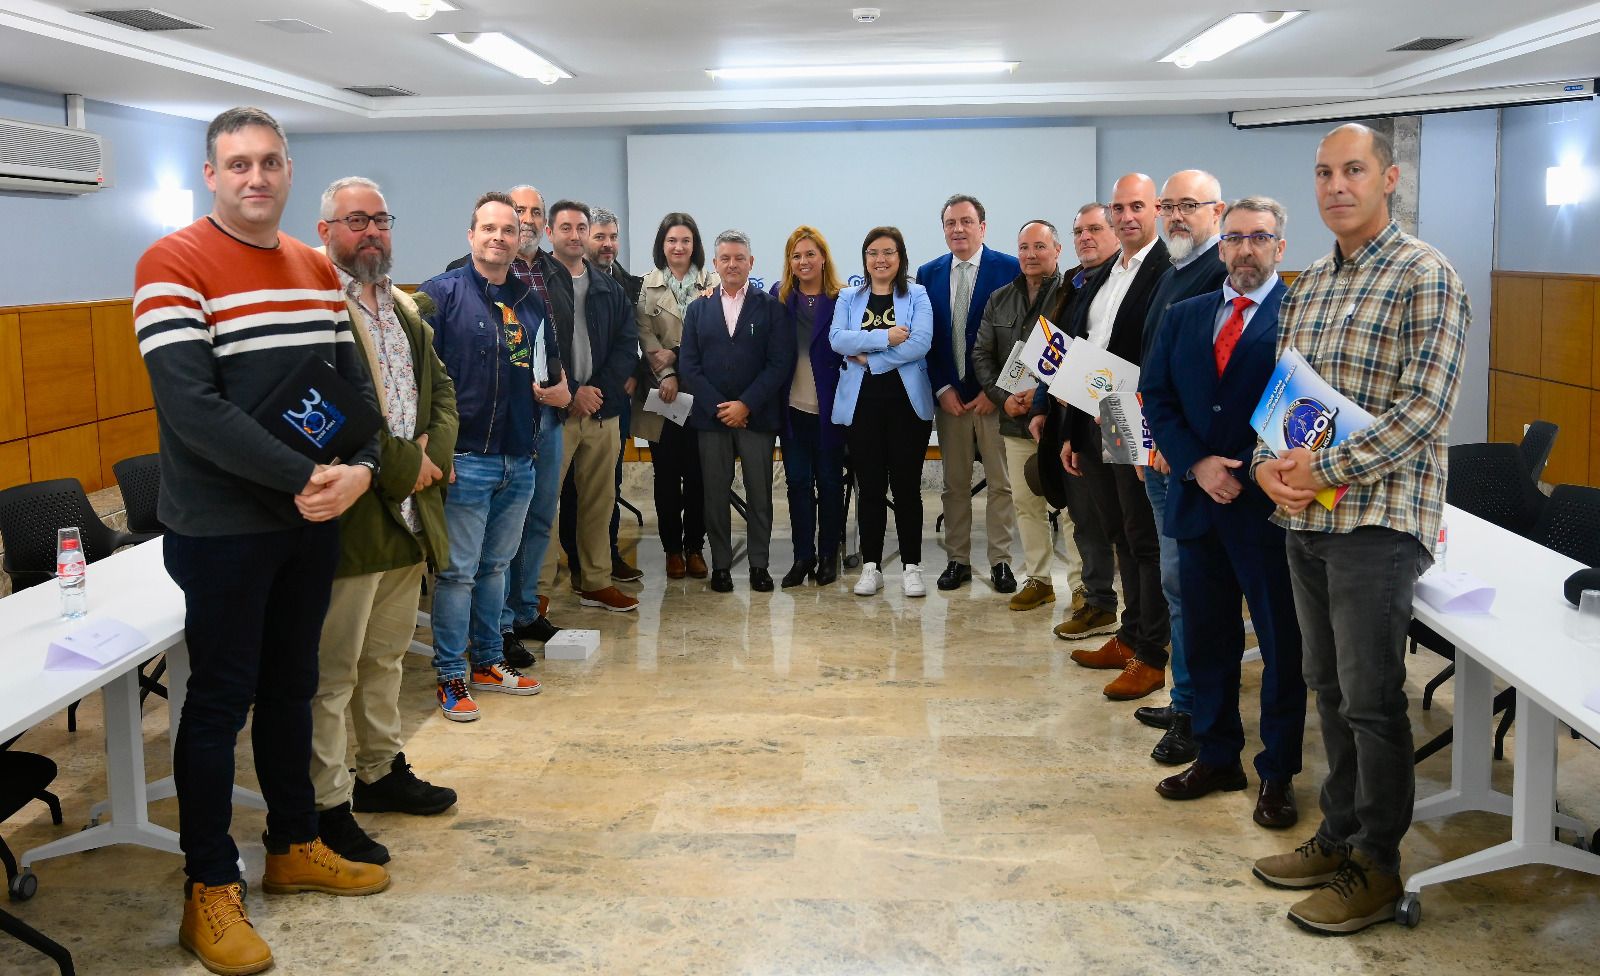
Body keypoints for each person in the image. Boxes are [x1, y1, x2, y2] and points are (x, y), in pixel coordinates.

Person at [134, 105, 388, 976]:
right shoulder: (171, 263)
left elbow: (352, 390)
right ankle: (208, 886)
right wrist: (305, 477)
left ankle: (292, 844)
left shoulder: (316, 268)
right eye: (237, 163)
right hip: (224, 531)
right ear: (212, 175)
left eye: (270, 162)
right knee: (216, 707)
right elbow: (192, 411)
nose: (255, 177)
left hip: (309, 524)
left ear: (288, 171)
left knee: (292, 688)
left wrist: (359, 469)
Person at [1251, 123, 1469, 935]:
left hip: (1380, 520)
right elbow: (1285, 395)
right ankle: (1338, 835)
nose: (1335, 185)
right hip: (1303, 512)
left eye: (1353, 170)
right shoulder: (1306, 286)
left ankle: (1377, 865)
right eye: (1323, 173)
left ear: (1390, 178)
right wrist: (1267, 463)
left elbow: (1426, 410)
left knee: (1375, 701)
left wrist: (1324, 471)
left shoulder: (1426, 275)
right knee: (1329, 687)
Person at [1139, 196, 1306, 833]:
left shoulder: (1300, 318)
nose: (1244, 251)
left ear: (1279, 248)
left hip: (1268, 509)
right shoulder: (1186, 315)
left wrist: (1239, 465)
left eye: (1258, 239)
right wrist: (1196, 464)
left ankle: (1279, 772)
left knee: (1281, 647)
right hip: (1197, 502)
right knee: (1207, 639)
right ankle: (1216, 756)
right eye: (1235, 239)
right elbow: (1156, 394)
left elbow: (1305, 406)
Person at [309, 177, 461, 866]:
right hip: (355, 515)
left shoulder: (403, 308)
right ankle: (327, 801)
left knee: (387, 657)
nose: (370, 232)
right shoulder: (315, 308)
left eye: (380, 220)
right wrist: (408, 465)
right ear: (326, 232)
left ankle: (379, 768)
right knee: (333, 672)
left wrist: (437, 457)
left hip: (408, 512)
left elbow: (443, 391)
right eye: (355, 220)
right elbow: (327, 411)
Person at [419, 191, 561, 721]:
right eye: (489, 228)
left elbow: (541, 371)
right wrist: (432, 445)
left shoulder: (529, 299)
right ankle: (451, 675)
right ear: (471, 235)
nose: (500, 236)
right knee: (457, 574)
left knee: (496, 566)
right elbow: (414, 378)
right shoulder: (440, 296)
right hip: (464, 457)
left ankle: (487, 661)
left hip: (517, 456)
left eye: (509, 229)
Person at [1060, 173, 1171, 702]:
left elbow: (1154, 350)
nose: (1127, 217)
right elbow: (1086, 343)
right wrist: (1072, 430)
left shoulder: (1165, 268)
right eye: (1119, 208)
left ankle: (1152, 650)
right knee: (1119, 533)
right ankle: (1129, 635)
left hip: (1132, 414)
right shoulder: (1107, 272)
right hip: (1093, 413)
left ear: (1156, 210)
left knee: (1142, 536)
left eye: (1137, 207)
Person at [1132, 170, 1230, 766]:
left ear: (1216, 211)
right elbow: (1158, 365)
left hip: (1187, 462)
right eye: (1169, 206)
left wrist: (1181, 444)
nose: (1175, 216)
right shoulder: (1175, 268)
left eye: (1188, 206)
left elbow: (1215, 377)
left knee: (1191, 589)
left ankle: (1198, 716)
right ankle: (1187, 695)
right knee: (1177, 588)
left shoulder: (1220, 272)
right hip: (1161, 449)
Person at [534, 200, 642, 612]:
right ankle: (538, 588)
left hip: (602, 412)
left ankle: (595, 581)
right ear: (550, 232)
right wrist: (573, 389)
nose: (575, 235)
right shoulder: (535, 283)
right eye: (566, 228)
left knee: (600, 502)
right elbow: (538, 346)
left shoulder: (608, 286)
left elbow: (624, 344)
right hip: (555, 413)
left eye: (581, 228)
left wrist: (595, 390)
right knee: (545, 503)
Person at [677, 230, 795, 592]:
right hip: (711, 420)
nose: (732, 264)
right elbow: (689, 365)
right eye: (725, 258)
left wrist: (746, 404)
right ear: (715, 264)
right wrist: (720, 407)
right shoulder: (698, 308)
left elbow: (779, 363)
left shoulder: (770, 308)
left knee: (760, 495)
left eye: (739, 258)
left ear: (751, 263)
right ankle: (722, 566)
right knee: (714, 496)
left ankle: (759, 565)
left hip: (756, 417)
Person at [917, 194, 1022, 594]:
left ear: (983, 226)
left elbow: (1020, 337)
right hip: (951, 401)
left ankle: (1000, 563)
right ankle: (957, 560)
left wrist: (995, 391)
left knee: (1001, 484)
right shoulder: (928, 274)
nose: (957, 229)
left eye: (965, 221)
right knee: (954, 484)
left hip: (994, 400)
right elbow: (930, 340)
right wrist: (942, 387)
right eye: (950, 223)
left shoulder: (1009, 269)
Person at [831, 227, 935, 598]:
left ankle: (912, 567)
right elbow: (838, 340)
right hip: (861, 406)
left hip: (907, 405)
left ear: (900, 257)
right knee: (870, 486)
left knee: (907, 488)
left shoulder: (918, 294)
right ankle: (871, 567)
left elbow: (920, 344)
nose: (880, 259)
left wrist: (870, 359)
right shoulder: (848, 296)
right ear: (865, 259)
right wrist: (886, 338)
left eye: (888, 252)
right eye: (873, 253)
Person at [1032, 204, 1121, 638]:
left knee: (1120, 520)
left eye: (1095, 229)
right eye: (1079, 231)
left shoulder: (1125, 280)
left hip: (1114, 415)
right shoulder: (1073, 282)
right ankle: (1098, 601)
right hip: (1071, 419)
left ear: (1116, 233)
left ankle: (1130, 615)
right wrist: (1042, 407)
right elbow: (1057, 349)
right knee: (1084, 515)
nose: (1086, 237)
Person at [971, 220, 1065, 612]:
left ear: (1057, 251)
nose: (1030, 255)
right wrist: (1003, 397)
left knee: (1074, 508)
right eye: (1024, 247)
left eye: (1039, 247)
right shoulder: (1000, 298)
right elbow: (981, 354)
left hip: (1061, 421)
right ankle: (1039, 580)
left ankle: (1081, 587)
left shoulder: (1073, 295)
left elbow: (1078, 355)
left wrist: (1042, 396)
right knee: (1026, 503)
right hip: (1013, 419)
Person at [502, 183, 569, 659]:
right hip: (503, 420)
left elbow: (559, 337)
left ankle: (525, 610)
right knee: (505, 525)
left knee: (542, 517)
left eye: (534, 212)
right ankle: (499, 623)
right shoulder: (463, 275)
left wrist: (563, 385)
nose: (526, 219)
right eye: (517, 211)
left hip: (550, 414)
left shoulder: (556, 273)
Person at [632, 213, 719, 580]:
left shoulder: (712, 282)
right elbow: (645, 335)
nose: (678, 247)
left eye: (685, 241)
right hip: (662, 395)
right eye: (672, 241)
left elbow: (714, 338)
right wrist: (667, 373)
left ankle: (695, 547)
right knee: (666, 477)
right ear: (662, 245)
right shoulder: (646, 285)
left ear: (694, 245)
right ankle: (672, 550)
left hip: (700, 393)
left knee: (699, 476)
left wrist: (679, 360)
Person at [567, 206, 643, 585]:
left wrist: (604, 388)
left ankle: (604, 560)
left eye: (613, 236)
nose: (608, 243)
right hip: (565, 405)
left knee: (605, 488)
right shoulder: (555, 281)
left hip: (610, 404)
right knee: (563, 491)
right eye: (599, 236)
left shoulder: (628, 285)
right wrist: (576, 392)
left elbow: (629, 346)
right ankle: (570, 565)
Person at [770, 226, 847, 587]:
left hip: (831, 410)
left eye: (810, 254)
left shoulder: (843, 298)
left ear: (823, 257)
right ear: (790, 261)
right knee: (798, 484)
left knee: (831, 484)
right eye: (796, 255)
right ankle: (803, 556)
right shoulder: (779, 297)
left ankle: (829, 556)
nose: (803, 261)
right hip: (792, 408)